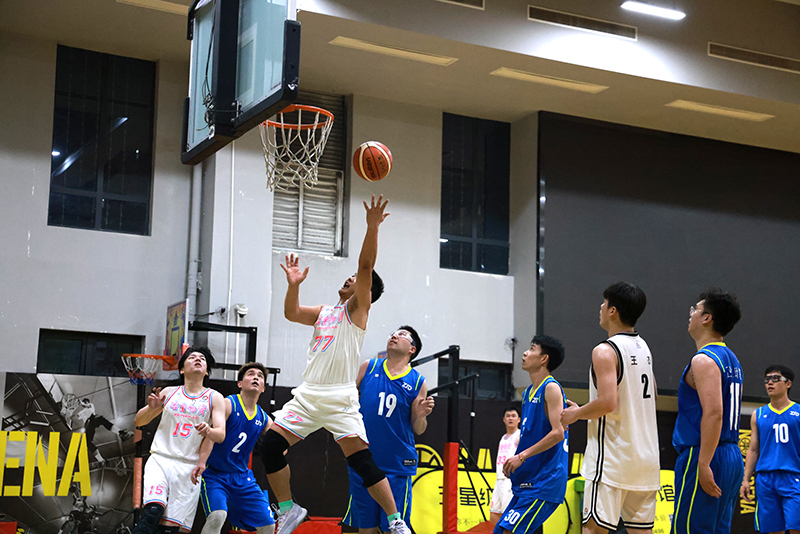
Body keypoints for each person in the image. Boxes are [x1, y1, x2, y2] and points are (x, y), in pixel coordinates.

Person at [259, 195, 412, 534]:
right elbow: (291, 313)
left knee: (362, 462)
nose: (349, 279)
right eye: (349, 276)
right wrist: (293, 287)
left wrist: (372, 228)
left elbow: (366, 267)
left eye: (354, 278)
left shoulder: (357, 312)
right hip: (308, 396)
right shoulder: (324, 312)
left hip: (340, 397)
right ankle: (288, 509)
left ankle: (395, 520)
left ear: (366, 291)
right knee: (270, 446)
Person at [560, 282, 659, 534]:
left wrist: (576, 413)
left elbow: (607, 402)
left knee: (593, 529)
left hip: (613, 460)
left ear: (613, 310)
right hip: (646, 461)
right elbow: (653, 394)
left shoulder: (605, 350)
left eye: (604, 303)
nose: (601, 307)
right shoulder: (644, 348)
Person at [342, 326, 434, 534]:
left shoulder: (418, 381)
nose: (394, 335)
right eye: (393, 333)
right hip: (364, 459)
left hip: (396, 463)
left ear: (412, 349)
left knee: (393, 528)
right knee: (366, 528)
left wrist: (420, 415)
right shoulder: (369, 366)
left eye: (402, 335)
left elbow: (419, 429)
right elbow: (347, 400)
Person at [131, 347, 226, 534]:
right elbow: (139, 421)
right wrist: (151, 409)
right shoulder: (169, 392)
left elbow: (220, 435)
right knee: (152, 513)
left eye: (202, 358)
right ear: (182, 369)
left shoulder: (215, 397)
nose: (197, 359)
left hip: (188, 467)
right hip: (160, 460)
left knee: (169, 529)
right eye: (192, 357)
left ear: (207, 371)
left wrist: (209, 431)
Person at [671, 289, 743, 534]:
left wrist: (703, 462)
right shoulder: (732, 359)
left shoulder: (703, 360)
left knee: (689, 529)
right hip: (731, 455)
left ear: (707, 318)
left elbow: (714, 413)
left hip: (704, 453)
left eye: (696, 309)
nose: (691, 313)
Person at [494, 335, 567, 534]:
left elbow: (558, 433)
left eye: (532, 348)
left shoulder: (551, 387)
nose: (525, 353)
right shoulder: (527, 393)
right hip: (529, 480)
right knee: (500, 530)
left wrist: (521, 457)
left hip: (545, 481)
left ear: (544, 358)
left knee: (508, 531)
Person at [193, 362, 275, 534]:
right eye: (250, 374)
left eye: (260, 376)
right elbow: (211, 435)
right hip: (215, 474)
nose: (256, 377)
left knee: (268, 525)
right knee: (217, 516)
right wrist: (202, 462)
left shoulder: (263, 417)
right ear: (240, 384)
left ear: (263, 388)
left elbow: (281, 448)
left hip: (242, 478)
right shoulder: (228, 404)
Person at [740, 365, 800, 534]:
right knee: (772, 530)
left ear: (788, 383)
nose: (770, 383)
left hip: (794, 477)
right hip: (766, 479)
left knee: (796, 528)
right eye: (767, 380)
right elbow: (753, 450)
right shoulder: (758, 414)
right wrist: (746, 479)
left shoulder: (798, 412)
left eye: (775, 379)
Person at [490, 407, 521, 526]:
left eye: (513, 416)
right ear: (504, 419)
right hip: (499, 479)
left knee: (508, 515)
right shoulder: (503, 437)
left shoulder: (519, 436)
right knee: (494, 513)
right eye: (508, 416)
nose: (510, 418)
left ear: (519, 419)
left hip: (510, 480)